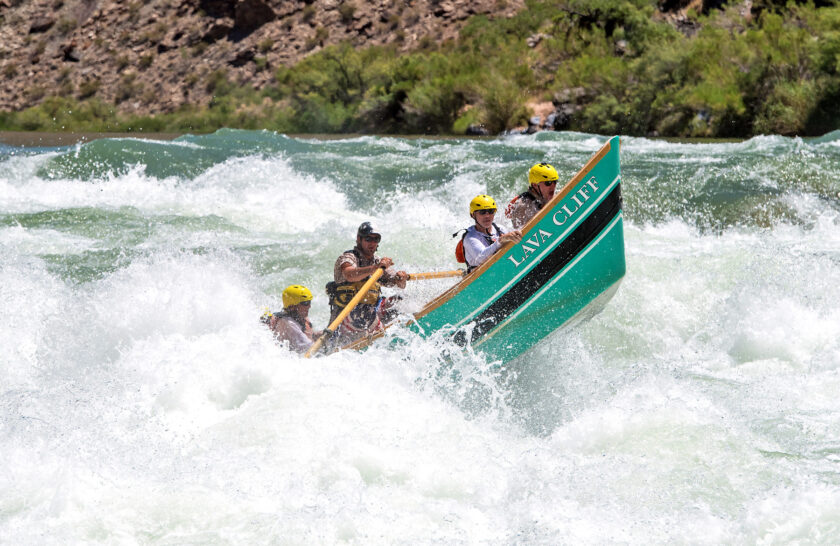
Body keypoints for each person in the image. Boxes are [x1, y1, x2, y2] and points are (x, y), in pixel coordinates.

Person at [326, 222, 408, 346]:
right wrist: (376, 268)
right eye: (368, 239)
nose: (372, 243)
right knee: (360, 316)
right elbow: (349, 274)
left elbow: (399, 285)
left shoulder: (377, 261)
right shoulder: (348, 257)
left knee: (400, 300)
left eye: (376, 239)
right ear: (359, 239)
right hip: (344, 319)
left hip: (369, 315)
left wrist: (400, 278)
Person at [456, 195, 522, 272]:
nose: (487, 216)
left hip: (502, 269)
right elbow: (481, 258)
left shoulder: (500, 229)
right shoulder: (470, 237)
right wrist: (500, 241)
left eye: (491, 211)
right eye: (482, 212)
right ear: (473, 215)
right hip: (482, 276)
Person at [262, 284, 322, 353]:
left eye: (309, 302)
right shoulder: (289, 324)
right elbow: (308, 348)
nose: (309, 306)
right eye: (305, 303)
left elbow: (308, 336)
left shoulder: (301, 317)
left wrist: (316, 335)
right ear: (292, 306)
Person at [505, 162, 560, 229]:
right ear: (534, 185)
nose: (553, 186)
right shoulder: (523, 206)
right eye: (548, 183)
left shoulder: (554, 196)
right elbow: (517, 234)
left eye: (555, 182)